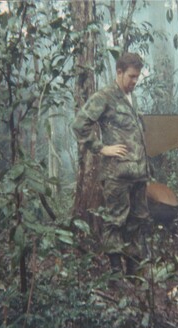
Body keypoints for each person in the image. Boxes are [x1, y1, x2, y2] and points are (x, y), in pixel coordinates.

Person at [72, 52, 150, 282]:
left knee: (138, 219)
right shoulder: (105, 96)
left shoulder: (130, 98)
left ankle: (134, 271)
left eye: (137, 77)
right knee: (116, 221)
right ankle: (116, 274)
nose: (134, 81)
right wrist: (100, 148)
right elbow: (79, 125)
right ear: (119, 72)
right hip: (117, 174)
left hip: (138, 174)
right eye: (131, 76)